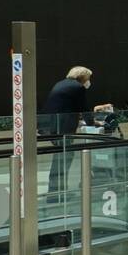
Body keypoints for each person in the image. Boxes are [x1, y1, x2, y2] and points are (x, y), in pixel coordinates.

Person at [40, 66, 112, 200]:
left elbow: (65, 107)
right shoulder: (77, 87)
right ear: (82, 77)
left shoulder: (61, 84)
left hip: (50, 125)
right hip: (61, 128)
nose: (89, 81)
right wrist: (93, 123)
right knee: (64, 158)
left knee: (60, 158)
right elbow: (83, 108)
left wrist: (78, 121)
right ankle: (55, 194)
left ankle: (57, 192)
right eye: (88, 78)